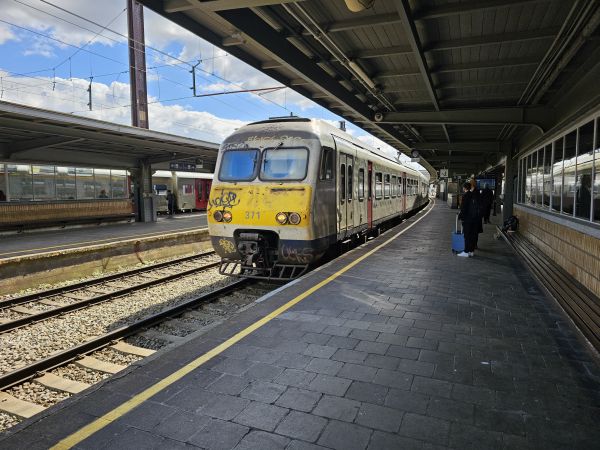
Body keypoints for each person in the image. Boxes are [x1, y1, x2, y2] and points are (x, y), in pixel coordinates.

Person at [457, 181, 480, 257]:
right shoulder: (474, 194)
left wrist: (460, 216)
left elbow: (464, 208)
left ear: (464, 188)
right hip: (475, 218)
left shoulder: (466, 196)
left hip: (468, 219)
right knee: (472, 235)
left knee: (467, 235)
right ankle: (471, 251)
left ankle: (466, 252)